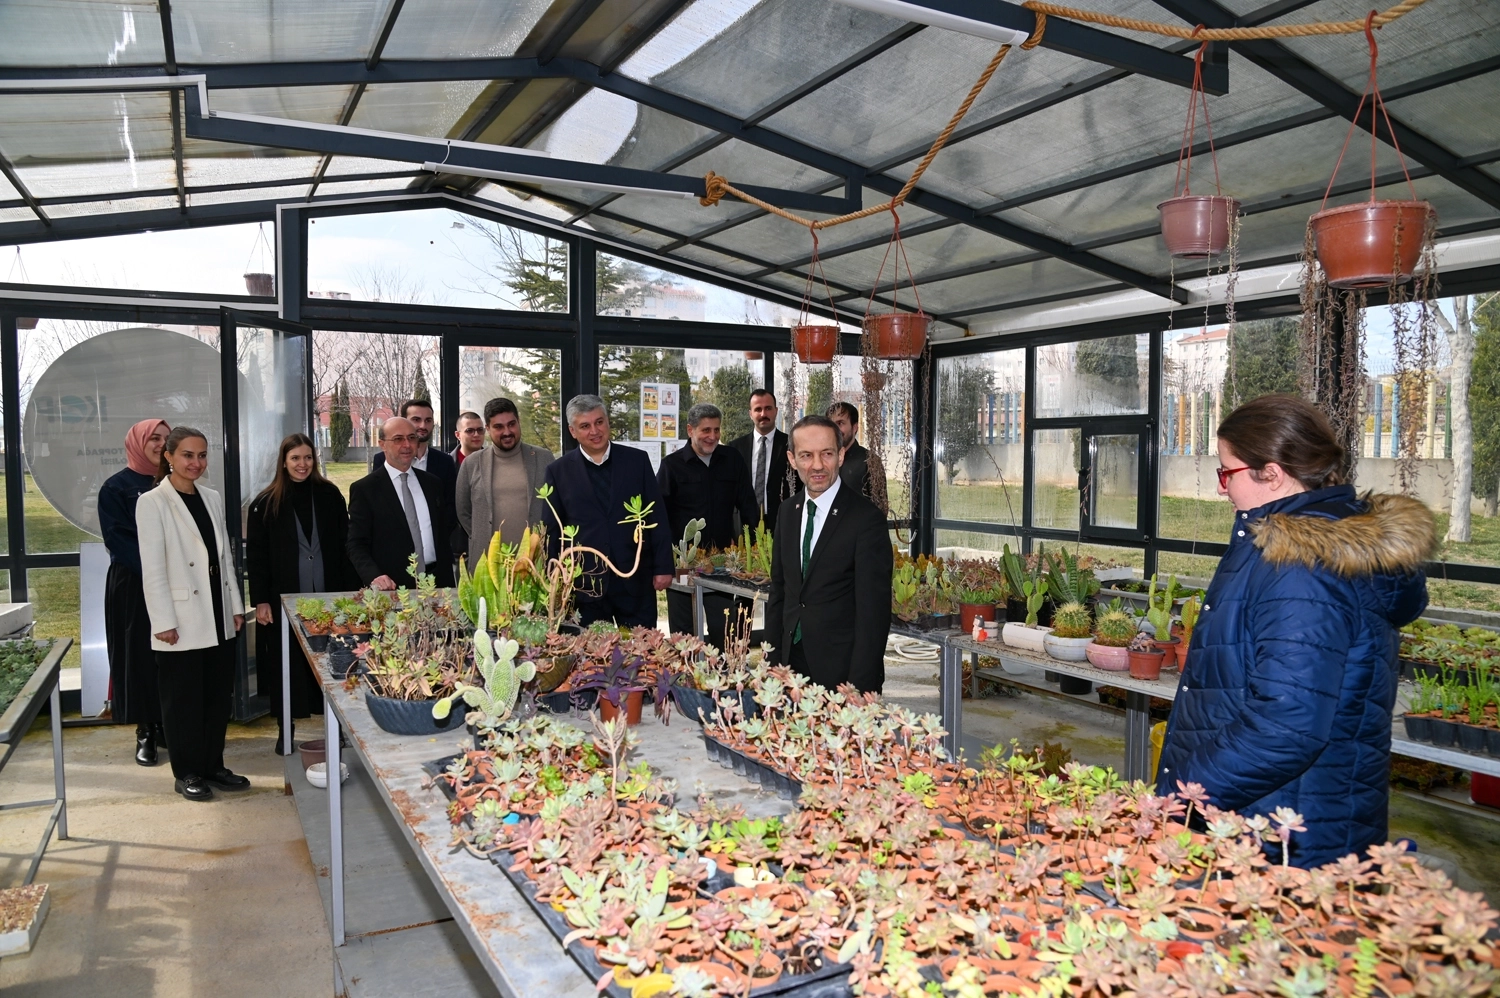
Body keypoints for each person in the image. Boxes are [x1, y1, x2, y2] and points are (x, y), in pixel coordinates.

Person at [1156, 395, 1434, 869]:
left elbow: (1285, 726)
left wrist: (1182, 795)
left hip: (1279, 828)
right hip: (1282, 810)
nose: (1223, 489)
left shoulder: (1302, 567)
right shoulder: (1305, 547)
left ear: (1272, 473)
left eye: (1226, 473)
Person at [135, 427, 247, 802]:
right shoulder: (152, 503)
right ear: (168, 456)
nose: (196, 463)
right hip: (181, 619)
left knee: (217, 698)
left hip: (217, 614)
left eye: (201, 455)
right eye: (187, 455)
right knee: (182, 702)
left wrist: (235, 607)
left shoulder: (211, 497)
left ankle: (212, 765)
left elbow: (224, 558)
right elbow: (153, 570)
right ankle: (186, 773)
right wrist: (163, 621)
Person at [246, 434, 358, 754]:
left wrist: (351, 594)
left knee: (332, 664)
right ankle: (286, 728)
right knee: (286, 665)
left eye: (308, 457)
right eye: (295, 458)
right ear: (284, 462)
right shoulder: (264, 503)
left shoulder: (330, 495)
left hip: (329, 598)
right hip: (283, 600)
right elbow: (257, 557)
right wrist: (261, 600)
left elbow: (345, 545)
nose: (302, 464)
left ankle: (336, 727)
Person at [765, 415, 892, 693]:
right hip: (790, 666)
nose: (817, 465)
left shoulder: (866, 519)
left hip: (842, 672)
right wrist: (772, 663)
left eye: (827, 454)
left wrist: (859, 686)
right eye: (806, 455)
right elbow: (779, 592)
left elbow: (874, 613)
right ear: (792, 459)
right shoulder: (787, 512)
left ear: (841, 455)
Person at [542, 394, 672, 628]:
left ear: (607, 422)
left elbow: (657, 516)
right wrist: (554, 579)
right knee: (588, 650)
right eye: (585, 426)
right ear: (573, 431)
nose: (595, 431)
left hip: (635, 582)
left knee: (642, 649)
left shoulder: (637, 461)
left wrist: (663, 567)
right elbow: (553, 529)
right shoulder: (557, 471)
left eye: (599, 422)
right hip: (584, 587)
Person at [98, 418, 171, 766]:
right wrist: (159, 573)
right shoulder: (116, 488)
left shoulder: (176, 484)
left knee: (171, 658)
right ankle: (146, 730)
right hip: (133, 584)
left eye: (167, 438)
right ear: (137, 443)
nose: (160, 445)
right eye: (153, 438)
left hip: (176, 585)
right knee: (139, 658)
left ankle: (170, 724)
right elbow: (119, 540)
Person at [658, 403, 760, 643]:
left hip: (721, 564)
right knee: (684, 635)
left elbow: (748, 505)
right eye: (706, 430)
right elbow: (659, 517)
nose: (712, 436)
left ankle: (723, 667)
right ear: (690, 430)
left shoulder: (732, 459)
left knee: (723, 630)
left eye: (716, 430)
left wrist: (755, 551)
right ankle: (686, 668)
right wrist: (662, 562)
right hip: (683, 565)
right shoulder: (671, 466)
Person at [347, 417, 455, 591]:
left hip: (439, 583)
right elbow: (356, 543)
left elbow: (442, 532)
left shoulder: (432, 484)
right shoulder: (365, 489)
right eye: (398, 439)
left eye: (412, 438)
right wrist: (374, 576)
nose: (407, 445)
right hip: (393, 587)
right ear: (382, 444)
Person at [455, 397, 554, 571]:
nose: (507, 432)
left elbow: (555, 506)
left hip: (535, 562)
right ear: (488, 429)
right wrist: (481, 535)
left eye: (511, 424)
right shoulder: (472, 463)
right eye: (498, 427)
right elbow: (463, 511)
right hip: (487, 564)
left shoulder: (543, 458)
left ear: (518, 422)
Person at [371, 399, 458, 517]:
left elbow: (450, 506)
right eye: (416, 420)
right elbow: (378, 503)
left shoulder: (445, 461)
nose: (423, 426)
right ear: (403, 421)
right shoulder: (382, 459)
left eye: (428, 420)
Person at [729, 389, 799, 534]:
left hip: (782, 523)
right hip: (744, 525)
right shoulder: (735, 448)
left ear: (776, 411)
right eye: (758, 409)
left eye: (768, 408)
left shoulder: (792, 445)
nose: (763, 414)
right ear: (750, 413)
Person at [827, 401, 873, 497]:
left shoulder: (869, 461)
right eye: (830, 424)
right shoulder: (820, 459)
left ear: (854, 427)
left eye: (840, 423)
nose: (835, 429)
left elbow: (879, 504)